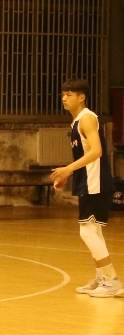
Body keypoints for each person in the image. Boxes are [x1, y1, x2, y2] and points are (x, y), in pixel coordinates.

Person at [51, 77, 118, 297]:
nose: (64, 98)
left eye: (69, 94)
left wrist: (68, 169)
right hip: (88, 181)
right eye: (63, 94)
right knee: (94, 231)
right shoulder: (76, 122)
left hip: (95, 182)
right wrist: (68, 175)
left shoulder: (87, 118)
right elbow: (86, 155)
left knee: (87, 232)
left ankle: (111, 280)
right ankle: (102, 278)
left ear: (82, 97)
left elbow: (97, 151)